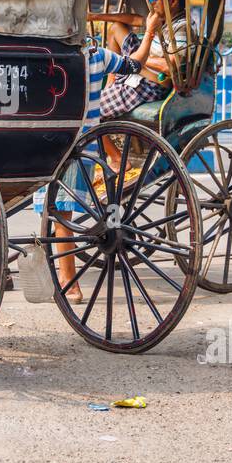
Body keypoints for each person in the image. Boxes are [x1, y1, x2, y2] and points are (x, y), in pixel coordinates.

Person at [49, 26, 154, 303]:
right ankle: (66, 280)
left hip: (46, 142)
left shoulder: (47, 53)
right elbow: (135, 64)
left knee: (58, 213)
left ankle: (66, 278)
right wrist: (151, 29)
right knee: (63, 212)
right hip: (81, 145)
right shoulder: (96, 55)